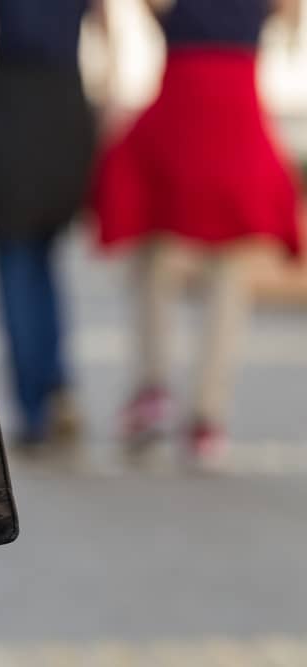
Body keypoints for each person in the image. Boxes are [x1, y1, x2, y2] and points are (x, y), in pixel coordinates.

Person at [91, 0, 302, 468]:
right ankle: (207, 415)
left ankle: (153, 387)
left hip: (182, 102)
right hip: (236, 107)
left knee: (153, 255)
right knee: (228, 271)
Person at [0, 0, 105, 448]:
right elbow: (107, 37)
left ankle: (34, 405)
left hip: (14, 112)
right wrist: (106, 113)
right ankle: (55, 382)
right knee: (44, 259)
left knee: (14, 262)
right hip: (66, 108)